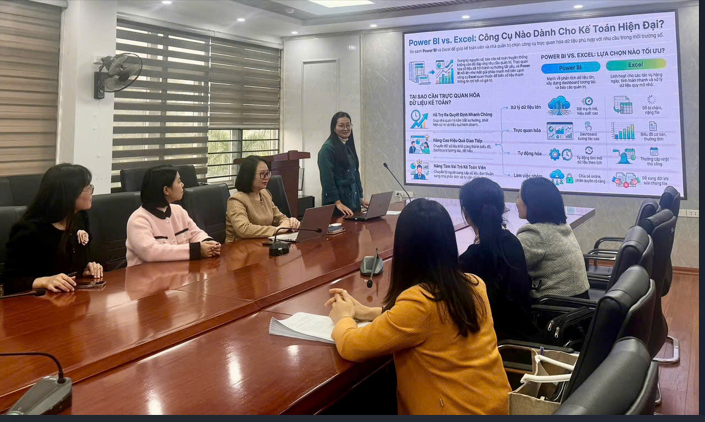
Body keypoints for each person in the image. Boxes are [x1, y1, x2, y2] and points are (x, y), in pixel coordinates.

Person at [325, 199, 511, 415]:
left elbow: (352, 346)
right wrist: (365, 312)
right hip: (498, 408)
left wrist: (343, 318)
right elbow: (431, 321)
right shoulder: (475, 285)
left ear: (404, 248)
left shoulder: (419, 303)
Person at [458, 178, 540, 341]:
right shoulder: (513, 242)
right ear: (502, 209)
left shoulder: (469, 259)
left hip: (494, 344)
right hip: (523, 337)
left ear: (467, 215)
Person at [1, 164, 103, 295]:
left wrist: (86, 269)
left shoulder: (80, 218)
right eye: (87, 188)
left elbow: (75, 263)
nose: (92, 192)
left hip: (70, 297)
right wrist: (44, 281)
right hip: (39, 302)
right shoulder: (29, 230)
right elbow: (10, 282)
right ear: (69, 194)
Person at [126, 165, 220, 267]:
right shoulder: (138, 220)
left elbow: (196, 234)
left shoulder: (178, 211)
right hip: (147, 276)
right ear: (166, 190)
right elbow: (151, 252)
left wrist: (210, 244)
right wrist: (196, 250)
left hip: (179, 273)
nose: (182, 185)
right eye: (179, 182)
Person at [516, 177, 590, 299]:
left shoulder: (536, 234)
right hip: (578, 302)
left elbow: (508, 265)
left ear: (531, 203)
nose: (517, 203)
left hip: (553, 306)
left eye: (519, 197)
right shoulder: (561, 226)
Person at [225, 156, 300, 243]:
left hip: (261, 243)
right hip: (238, 247)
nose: (266, 177)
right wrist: (277, 230)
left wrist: (289, 222)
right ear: (249, 175)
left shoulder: (265, 194)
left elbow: (279, 217)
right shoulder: (236, 200)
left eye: (267, 173)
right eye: (262, 174)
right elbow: (244, 229)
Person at [318, 111, 368, 217]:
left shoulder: (347, 145)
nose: (345, 128)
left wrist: (360, 198)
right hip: (338, 205)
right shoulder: (327, 149)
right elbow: (327, 179)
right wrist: (337, 202)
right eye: (341, 125)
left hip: (353, 201)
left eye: (348, 125)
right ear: (334, 128)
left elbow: (355, 173)